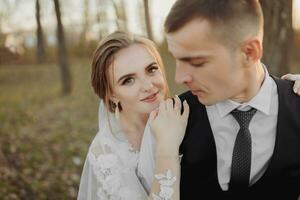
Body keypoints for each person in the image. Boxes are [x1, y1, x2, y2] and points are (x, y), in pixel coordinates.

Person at [161, 0, 300, 199]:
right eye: (177, 58)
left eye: (197, 62)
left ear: (249, 52)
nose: (179, 78)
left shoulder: (297, 106)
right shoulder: (171, 119)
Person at [77, 31, 189, 200]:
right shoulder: (107, 155)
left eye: (151, 69)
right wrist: (167, 148)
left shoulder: (185, 114)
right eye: (128, 80)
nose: (148, 85)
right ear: (112, 95)